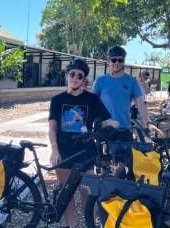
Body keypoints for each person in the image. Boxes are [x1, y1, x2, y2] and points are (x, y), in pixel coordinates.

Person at [48, 58, 117, 227]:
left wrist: (111, 124)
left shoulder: (92, 99)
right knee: (68, 196)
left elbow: (105, 120)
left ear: (83, 79)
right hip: (64, 153)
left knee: (89, 193)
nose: (75, 78)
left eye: (80, 76)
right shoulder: (57, 100)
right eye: (72, 74)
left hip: (87, 154)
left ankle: (88, 224)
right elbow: (52, 128)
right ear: (66, 76)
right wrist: (54, 150)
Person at [93, 45, 160, 140]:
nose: (117, 63)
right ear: (108, 61)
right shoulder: (100, 81)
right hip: (105, 130)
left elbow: (140, 103)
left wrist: (148, 123)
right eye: (114, 60)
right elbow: (92, 105)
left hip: (124, 130)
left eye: (120, 60)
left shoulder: (131, 81)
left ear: (124, 61)